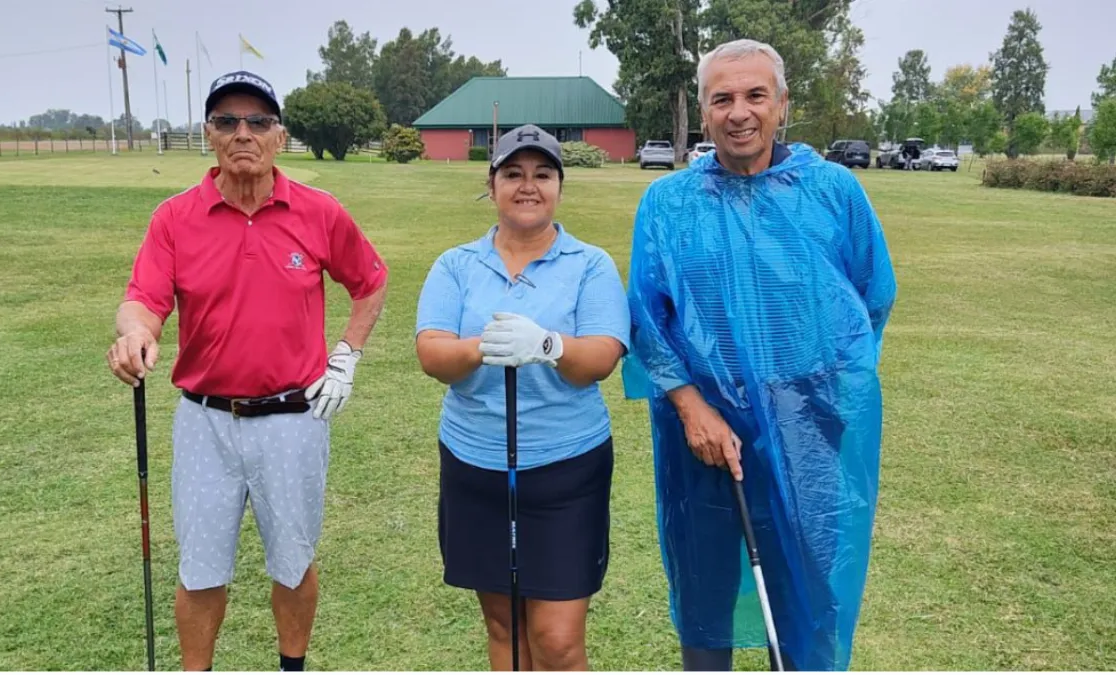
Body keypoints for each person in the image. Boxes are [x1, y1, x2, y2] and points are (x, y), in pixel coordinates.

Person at [622, 40, 897, 671]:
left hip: (811, 430)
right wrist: (692, 409)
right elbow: (648, 315)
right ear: (703, 109)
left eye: (754, 96)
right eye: (722, 98)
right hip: (703, 434)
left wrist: (821, 398)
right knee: (706, 587)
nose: (738, 112)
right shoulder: (668, 204)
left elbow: (869, 299)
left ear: (782, 105)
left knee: (808, 590)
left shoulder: (834, 193)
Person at [105, 70, 389, 671]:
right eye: (227, 121)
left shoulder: (319, 212)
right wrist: (134, 334)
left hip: (293, 416)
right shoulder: (175, 218)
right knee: (201, 567)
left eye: (258, 122)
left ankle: (292, 667)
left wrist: (346, 357)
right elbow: (144, 300)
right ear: (208, 133)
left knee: (292, 560)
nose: (243, 133)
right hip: (205, 421)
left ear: (279, 137)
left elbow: (370, 281)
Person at [414, 124, 630, 671]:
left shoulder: (590, 264)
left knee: (556, 640)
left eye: (541, 174)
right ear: (491, 185)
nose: (527, 186)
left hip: (566, 469)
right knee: (504, 627)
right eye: (513, 174)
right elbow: (432, 353)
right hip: (475, 466)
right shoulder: (456, 265)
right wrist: (482, 346)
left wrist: (548, 344)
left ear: (560, 186)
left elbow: (602, 357)